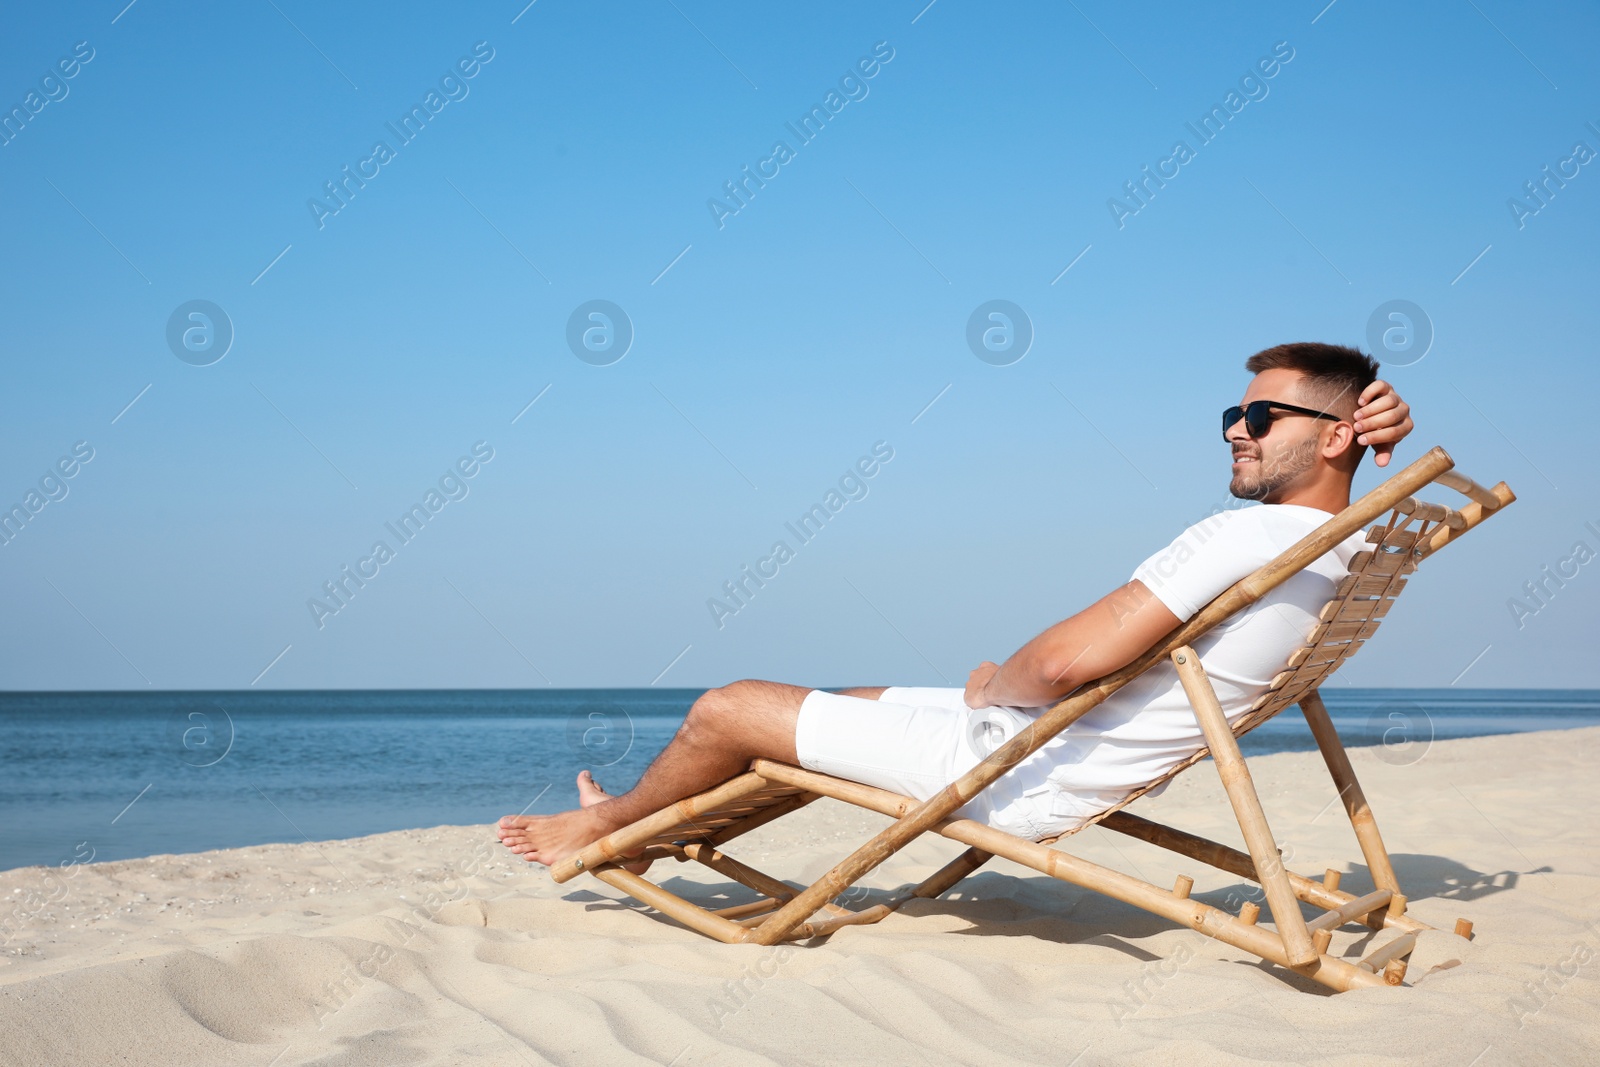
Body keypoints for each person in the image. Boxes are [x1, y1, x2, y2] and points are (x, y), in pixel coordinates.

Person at [498, 342, 1414, 866]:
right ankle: (659, 834)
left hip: (1019, 768)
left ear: (1333, 433)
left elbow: (1059, 665)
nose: (1233, 431)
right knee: (846, 704)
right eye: (1231, 414)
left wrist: (992, 687)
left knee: (728, 706)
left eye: (1259, 419)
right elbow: (1385, 482)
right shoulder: (1349, 542)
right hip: (1062, 748)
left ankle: (612, 827)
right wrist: (1384, 433)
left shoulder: (1238, 537)